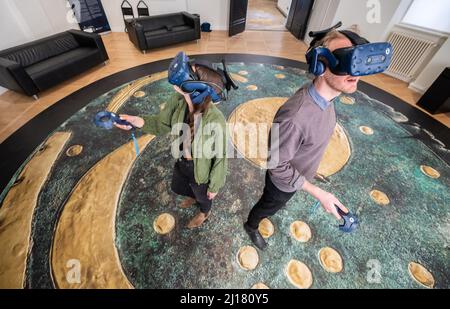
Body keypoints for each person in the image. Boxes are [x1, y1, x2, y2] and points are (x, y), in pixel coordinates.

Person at [243, 25, 392, 250]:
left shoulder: (327, 98)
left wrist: (310, 172)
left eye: (358, 64)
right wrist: (318, 193)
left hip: (299, 174)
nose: (356, 74)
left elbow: (311, 141)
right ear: (321, 65)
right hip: (281, 183)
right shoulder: (295, 117)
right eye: (345, 62)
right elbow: (276, 165)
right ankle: (251, 225)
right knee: (270, 205)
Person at [116, 57, 228, 229]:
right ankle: (192, 196)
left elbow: (221, 157)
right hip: (181, 161)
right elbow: (162, 124)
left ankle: (204, 213)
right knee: (182, 185)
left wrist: (214, 186)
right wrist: (136, 120)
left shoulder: (215, 119)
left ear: (197, 88)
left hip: (201, 171)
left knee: (204, 197)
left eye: (190, 73)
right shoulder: (177, 100)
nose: (184, 74)